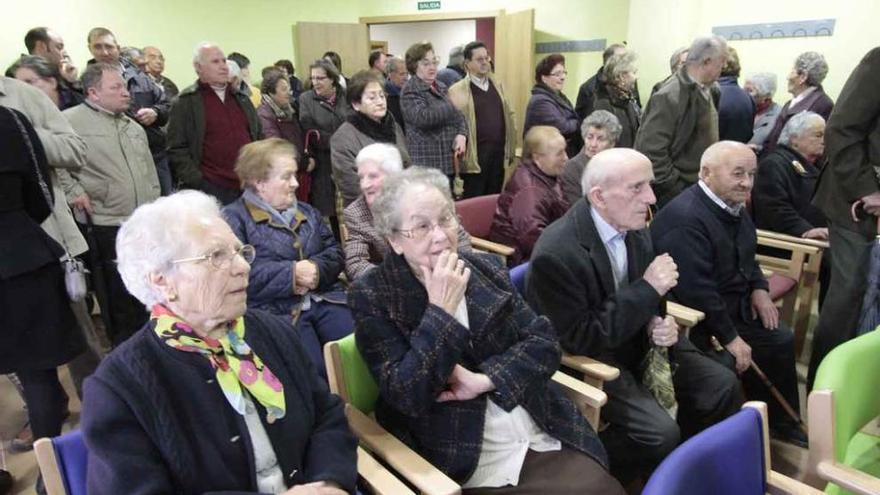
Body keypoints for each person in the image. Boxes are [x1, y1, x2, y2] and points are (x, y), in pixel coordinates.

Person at [348, 166, 624, 494]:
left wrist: (485, 379)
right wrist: (441, 313)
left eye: (446, 218)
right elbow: (407, 395)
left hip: (535, 423)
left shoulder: (484, 267)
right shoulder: (373, 296)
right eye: (422, 226)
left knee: (601, 486)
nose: (440, 236)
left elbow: (544, 342)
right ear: (394, 240)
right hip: (462, 453)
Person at [81, 190, 358, 494]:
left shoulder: (273, 331)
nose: (243, 267)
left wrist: (329, 482)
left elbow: (327, 415)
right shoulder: (119, 387)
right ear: (162, 281)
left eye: (240, 251)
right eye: (216, 256)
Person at [527, 148, 740, 483]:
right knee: (658, 434)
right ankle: (606, 470)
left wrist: (662, 321)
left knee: (722, 384)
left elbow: (654, 297)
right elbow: (580, 338)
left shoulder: (636, 225)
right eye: (637, 188)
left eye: (649, 185)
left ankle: (688, 473)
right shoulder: (556, 252)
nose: (651, 197)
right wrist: (648, 290)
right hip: (593, 359)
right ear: (599, 196)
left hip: (639, 339)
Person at [651, 141, 806, 447]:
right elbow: (696, 291)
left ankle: (779, 422)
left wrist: (760, 290)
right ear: (706, 173)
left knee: (779, 338)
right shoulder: (685, 219)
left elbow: (748, 257)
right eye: (738, 174)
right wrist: (731, 338)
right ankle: (721, 444)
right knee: (722, 370)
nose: (747, 183)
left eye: (751, 174)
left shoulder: (733, 206)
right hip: (698, 320)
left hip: (735, 307)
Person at [0, 105, 86, 491]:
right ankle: (50, 479)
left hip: (21, 261)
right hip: (21, 258)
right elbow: (40, 197)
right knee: (40, 377)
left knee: (38, 379)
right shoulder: (11, 120)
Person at [223, 138, 353, 374]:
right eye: (286, 176)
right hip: (276, 313)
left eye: (295, 175)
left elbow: (335, 252)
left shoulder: (307, 211)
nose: (295, 183)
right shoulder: (233, 219)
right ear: (259, 182)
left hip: (326, 298)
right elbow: (235, 274)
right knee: (312, 369)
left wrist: (316, 270)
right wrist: (292, 274)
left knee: (360, 345)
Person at [64, 63, 160, 344]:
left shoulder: (132, 126)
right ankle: (126, 351)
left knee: (146, 293)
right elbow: (56, 165)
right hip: (106, 222)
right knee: (118, 300)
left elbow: (149, 171)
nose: (125, 92)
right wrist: (74, 191)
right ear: (93, 93)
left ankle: (153, 346)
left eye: (125, 86)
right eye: (116, 87)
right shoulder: (70, 122)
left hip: (141, 223)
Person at [808, 47, 880, 391]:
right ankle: (826, 393)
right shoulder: (878, 60)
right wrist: (869, 189)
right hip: (858, 203)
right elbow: (841, 129)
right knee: (849, 299)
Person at [343, 144, 471, 280]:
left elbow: (460, 238)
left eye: (373, 176)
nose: (365, 184)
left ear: (395, 176)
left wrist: (454, 267)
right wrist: (396, 280)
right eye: (361, 177)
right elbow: (354, 263)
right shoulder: (356, 213)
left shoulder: (425, 198)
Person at [635, 35, 727, 208]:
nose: (725, 67)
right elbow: (651, 151)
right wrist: (676, 189)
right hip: (678, 194)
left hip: (696, 188)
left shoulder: (709, 90)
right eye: (722, 62)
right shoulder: (670, 96)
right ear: (706, 62)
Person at [167, 42, 261, 205]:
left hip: (248, 185)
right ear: (198, 67)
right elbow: (176, 148)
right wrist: (198, 181)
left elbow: (258, 136)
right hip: (211, 187)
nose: (223, 66)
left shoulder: (242, 98)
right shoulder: (186, 102)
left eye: (224, 61)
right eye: (215, 62)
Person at [86, 27, 172, 195]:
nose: (104, 52)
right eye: (98, 47)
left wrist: (156, 112)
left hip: (153, 155)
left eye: (109, 47)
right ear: (90, 49)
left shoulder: (140, 77)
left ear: (117, 48)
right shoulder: (87, 82)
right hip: (113, 162)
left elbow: (167, 105)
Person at [489, 126, 569, 266]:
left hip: (547, 247)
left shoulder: (549, 175)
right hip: (521, 261)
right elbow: (534, 239)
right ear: (537, 157)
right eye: (559, 154)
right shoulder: (529, 191)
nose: (566, 158)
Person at [448, 40, 518, 198]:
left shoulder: (498, 85)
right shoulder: (456, 90)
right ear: (467, 63)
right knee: (474, 203)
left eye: (487, 58)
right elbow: (453, 124)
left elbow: (510, 114)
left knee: (493, 201)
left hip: (498, 156)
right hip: (474, 161)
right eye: (480, 59)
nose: (485, 62)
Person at [331, 71, 409, 207]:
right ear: (356, 104)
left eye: (381, 96)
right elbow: (351, 186)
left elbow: (407, 164)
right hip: (366, 208)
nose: (380, 102)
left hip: (401, 204)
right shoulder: (342, 138)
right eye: (372, 98)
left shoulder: (394, 126)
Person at [400, 41, 468, 184]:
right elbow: (424, 118)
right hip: (427, 167)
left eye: (434, 62)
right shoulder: (410, 90)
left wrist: (462, 134)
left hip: (449, 163)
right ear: (414, 66)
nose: (432, 67)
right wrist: (453, 105)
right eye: (426, 64)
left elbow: (460, 116)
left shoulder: (441, 86)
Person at [299, 59, 350, 221]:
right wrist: (339, 141)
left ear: (332, 79)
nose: (315, 82)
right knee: (332, 212)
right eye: (313, 78)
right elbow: (310, 131)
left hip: (347, 160)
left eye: (320, 78)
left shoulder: (347, 97)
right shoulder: (306, 99)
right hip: (323, 163)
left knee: (351, 208)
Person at [763, 52, 833, 155]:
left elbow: (817, 150)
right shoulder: (790, 104)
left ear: (803, 77)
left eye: (792, 71)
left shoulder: (822, 105)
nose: (788, 77)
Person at [524, 53, 582, 158]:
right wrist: (578, 122)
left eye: (564, 72)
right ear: (544, 78)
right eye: (557, 74)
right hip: (543, 159)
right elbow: (563, 127)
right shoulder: (540, 101)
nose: (563, 77)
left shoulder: (558, 96)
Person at [559, 110, 622, 206]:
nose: (593, 144)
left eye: (601, 139)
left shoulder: (620, 165)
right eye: (590, 137)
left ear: (612, 143)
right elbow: (577, 207)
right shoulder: (572, 168)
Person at [592, 51, 640, 148]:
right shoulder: (602, 105)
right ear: (621, 76)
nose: (637, 77)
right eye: (634, 72)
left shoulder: (627, 100)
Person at [258, 69, 306, 165]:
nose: (289, 93)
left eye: (289, 88)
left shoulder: (291, 109)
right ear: (271, 92)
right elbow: (276, 146)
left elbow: (300, 136)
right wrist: (302, 163)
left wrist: (308, 155)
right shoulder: (264, 114)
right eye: (284, 89)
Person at [8, 55, 83, 110]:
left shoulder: (80, 105)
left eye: (29, 82)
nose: (23, 90)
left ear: (52, 82)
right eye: (19, 86)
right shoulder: (25, 113)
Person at [575, 43, 627, 120]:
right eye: (622, 58)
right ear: (609, 61)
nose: (626, 62)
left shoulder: (629, 82)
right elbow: (582, 121)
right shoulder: (589, 88)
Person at [717, 47, 755, 143]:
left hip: (714, 153)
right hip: (739, 152)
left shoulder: (711, 95)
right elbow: (749, 133)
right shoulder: (748, 98)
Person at [745, 72, 781, 154]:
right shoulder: (741, 108)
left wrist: (759, 149)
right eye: (744, 89)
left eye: (750, 91)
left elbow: (778, 146)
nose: (744, 94)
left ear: (766, 96)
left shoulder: (779, 116)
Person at [383, 56, 408, 132]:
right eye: (401, 74)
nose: (405, 77)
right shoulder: (385, 96)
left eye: (407, 74)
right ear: (390, 74)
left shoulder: (408, 92)